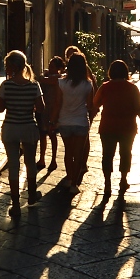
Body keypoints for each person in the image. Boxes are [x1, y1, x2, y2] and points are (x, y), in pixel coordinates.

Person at [0, 50, 45, 217]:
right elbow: (42, 108)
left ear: (12, 67)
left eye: (6, 65)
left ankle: (15, 204)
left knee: (14, 165)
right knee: (30, 163)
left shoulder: (5, 85)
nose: (5, 68)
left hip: (10, 128)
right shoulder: (33, 85)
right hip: (28, 127)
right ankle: (31, 195)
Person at [93, 60, 140, 199]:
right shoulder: (132, 88)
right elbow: (139, 107)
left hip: (108, 126)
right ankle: (123, 180)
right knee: (125, 153)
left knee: (107, 155)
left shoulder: (105, 87)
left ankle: (107, 184)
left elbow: (95, 103)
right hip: (127, 127)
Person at [50, 52, 94, 195]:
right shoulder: (88, 84)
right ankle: (74, 184)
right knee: (78, 154)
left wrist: (53, 120)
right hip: (81, 122)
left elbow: (57, 103)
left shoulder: (62, 83)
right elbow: (90, 105)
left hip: (65, 122)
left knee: (68, 152)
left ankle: (69, 178)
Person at [36, 56, 65, 170]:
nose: (50, 68)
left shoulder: (58, 78)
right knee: (43, 135)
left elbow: (42, 80)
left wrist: (43, 76)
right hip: (45, 108)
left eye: (52, 66)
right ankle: (42, 158)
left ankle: (53, 159)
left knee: (52, 134)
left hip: (52, 109)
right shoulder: (50, 77)